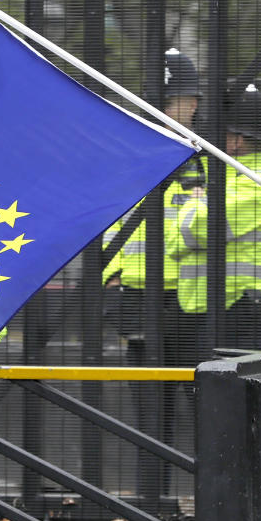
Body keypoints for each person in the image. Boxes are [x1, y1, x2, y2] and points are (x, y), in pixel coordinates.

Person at [101, 48, 206, 370]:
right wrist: (113, 277)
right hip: (135, 290)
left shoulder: (207, 157)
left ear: (194, 104)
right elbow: (109, 220)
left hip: (190, 292)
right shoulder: (130, 157)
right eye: (163, 103)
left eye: (175, 102)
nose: (168, 111)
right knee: (149, 399)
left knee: (196, 389)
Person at [169, 84, 261, 351]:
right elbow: (171, 243)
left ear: (235, 141)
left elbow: (192, 230)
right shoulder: (218, 182)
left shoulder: (258, 184)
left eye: (216, 133)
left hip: (238, 309)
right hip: (198, 307)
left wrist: (194, 203)